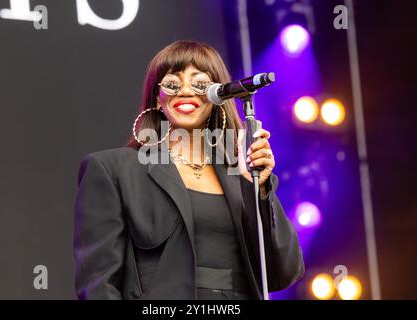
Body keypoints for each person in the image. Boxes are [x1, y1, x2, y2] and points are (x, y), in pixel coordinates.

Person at [73, 40, 304, 300]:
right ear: (157, 99)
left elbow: (284, 271)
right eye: (172, 83)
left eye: (200, 84)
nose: (185, 91)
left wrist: (257, 188)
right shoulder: (113, 169)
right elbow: (98, 285)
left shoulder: (239, 173)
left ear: (218, 96)